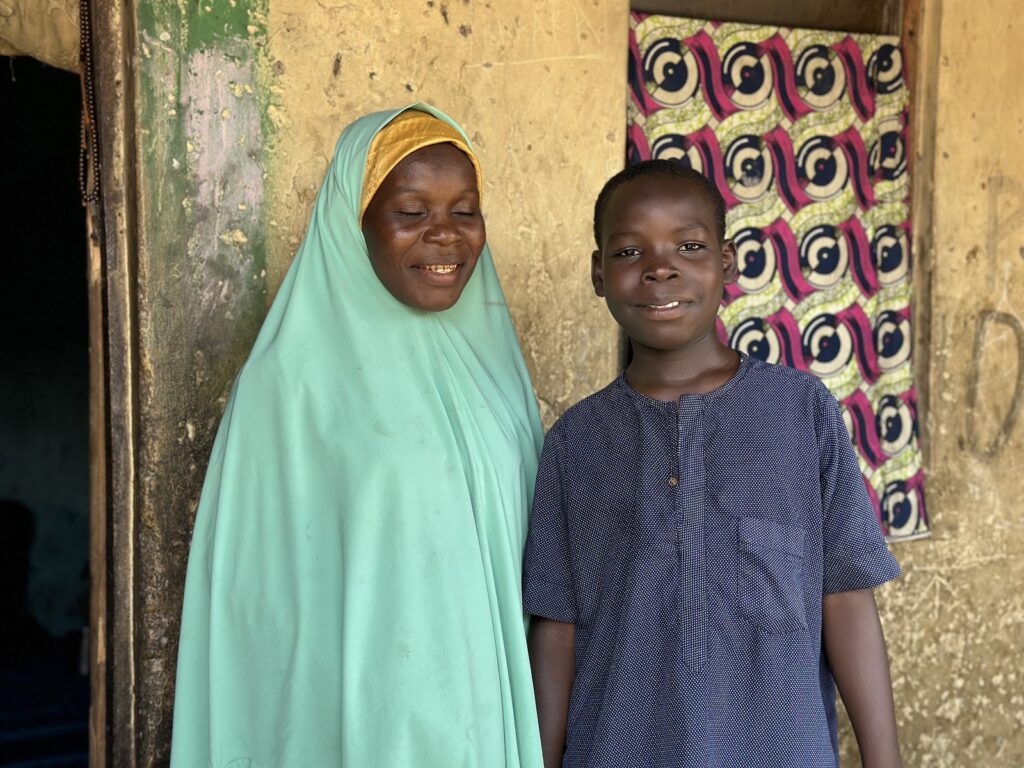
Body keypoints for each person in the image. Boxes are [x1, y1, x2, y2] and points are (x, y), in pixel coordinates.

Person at [171, 104, 545, 768]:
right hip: (357, 726)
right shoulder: (287, 388)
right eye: (411, 212)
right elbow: (256, 610)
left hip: (482, 725)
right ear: (356, 220)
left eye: (464, 210)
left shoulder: (497, 376)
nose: (445, 236)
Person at [523, 160, 903, 768]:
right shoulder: (576, 442)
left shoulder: (800, 413)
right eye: (628, 252)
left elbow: (847, 596)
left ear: (726, 262)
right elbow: (557, 630)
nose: (660, 268)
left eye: (689, 245)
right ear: (598, 273)